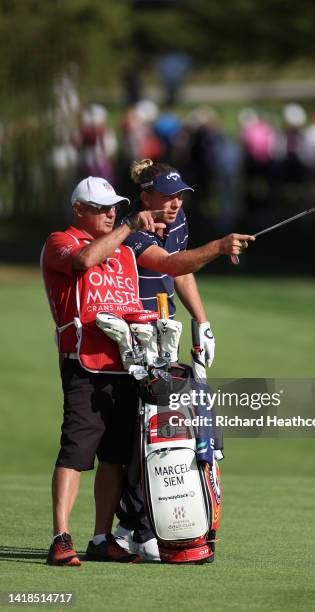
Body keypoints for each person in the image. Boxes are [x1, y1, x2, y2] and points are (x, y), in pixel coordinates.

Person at [41, 175, 254, 566]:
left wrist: (216, 250)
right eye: (102, 209)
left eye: (114, 208)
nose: (110, 214)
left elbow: (172, 265)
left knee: (116, 457)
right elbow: (84, 261)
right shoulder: (61, 241)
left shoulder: (125, 252)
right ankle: (61, 537)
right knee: (76, 452)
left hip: (128, 366)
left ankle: (102, 538)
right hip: (85, 363)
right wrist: (130, 225)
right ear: (79, 211)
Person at [113, 159, 218, 560]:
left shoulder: (177, 220)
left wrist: (201, 321)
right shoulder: (130, 226)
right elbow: (172, 264)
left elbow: (181, 271)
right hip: (134, 333)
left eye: (180, 196)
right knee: (143, 432)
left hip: (165, 329)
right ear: (146, 195)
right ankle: (138, 528)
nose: (175, 204)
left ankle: (135, 526)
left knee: (167, 430)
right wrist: (220, 247)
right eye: (168, 196)